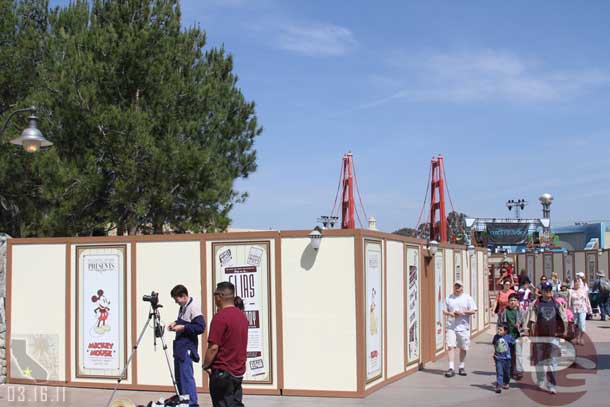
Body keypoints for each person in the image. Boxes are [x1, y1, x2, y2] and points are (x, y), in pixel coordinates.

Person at [203, 281, 248, 407]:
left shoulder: (220, 317)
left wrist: (206, 365)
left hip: (223, 372)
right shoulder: (242, 316)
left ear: (220, 296)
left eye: (215, 294)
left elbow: (213, 347)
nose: (214, 298)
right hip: (237, 372)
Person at [523, 281, 568, 394]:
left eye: (550, 290)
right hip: (539, 337)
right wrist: (526, 330)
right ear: (542, 291)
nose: (549, 292)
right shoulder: (536, 304)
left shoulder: (556, 303)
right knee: (540, 361)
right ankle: (541, 380)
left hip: (553, 337)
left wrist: (565, 330)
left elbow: (564, 316)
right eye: (546, 290)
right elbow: (528, 318)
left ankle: (551, 385)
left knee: (552, 362)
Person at [169, 285, 206, 407]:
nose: (175, 302)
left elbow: (200, 327)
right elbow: (184, 321)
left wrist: (183, 327)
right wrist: (176, 323)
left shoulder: (193, 308)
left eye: (177, 299)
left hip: (187, 348)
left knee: (186, 377)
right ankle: (183, 401)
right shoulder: (183, 307)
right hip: (179, 347)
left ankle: (192, 403)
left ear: (184, 296)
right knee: (179, 377)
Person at [443, 280, 477, 377]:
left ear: (462, 287)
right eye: (456, 286)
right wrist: (450, 313)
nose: (457, 288)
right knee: (450, 345)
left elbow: (473, 310)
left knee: (463, 347)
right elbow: (444, 310)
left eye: (459, 286)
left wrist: (463, 312)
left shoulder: (467, 298)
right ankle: (451, 368)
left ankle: (461, 366)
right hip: (451, 325)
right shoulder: (449, 298)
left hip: (463, 326)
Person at [498, 293, 524, 380]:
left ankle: (519, 371)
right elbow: (500, 323)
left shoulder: (521, 311)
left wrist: (520, 326)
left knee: (519, 354)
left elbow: (525, 324)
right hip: (507, 336)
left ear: (517, 302)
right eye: (511, 300)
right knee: (509, 355)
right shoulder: (505, 311)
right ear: (508, 302)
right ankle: (510, 371)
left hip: (518, 336)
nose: (512, 302)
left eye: (514, 300)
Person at [492, 323, 516, 393]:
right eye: (498, 329)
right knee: (499, 372)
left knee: (507, 373)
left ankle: (506, 382)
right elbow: (494, 344)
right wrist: (495, 353)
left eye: (500, 330)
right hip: (498, 358)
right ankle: (499, 386)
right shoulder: (496, 337)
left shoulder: (509, 337)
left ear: (505, 331)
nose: (498, 331)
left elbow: (514, 344)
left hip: (507, 359)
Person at [569, 279, 592, 345]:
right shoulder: (571, 291)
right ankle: (577, 338)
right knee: (576, 324)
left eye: (578, 282)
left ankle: (581, 337)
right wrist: (568, 311)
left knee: (582, 324)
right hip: (574, 310)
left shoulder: (584, 291)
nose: (577, 283)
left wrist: (589, 310)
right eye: (576, 282)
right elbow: (569, 302)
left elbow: (587, 301)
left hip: (582, 309)